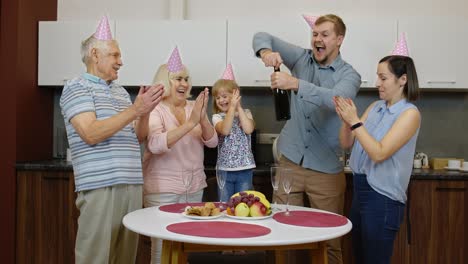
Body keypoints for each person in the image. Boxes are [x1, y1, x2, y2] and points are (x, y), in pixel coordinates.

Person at [252, 14, 361, 264]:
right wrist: (266, 52)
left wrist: (295, 83)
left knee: (329, 241)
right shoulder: (301, 58)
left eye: (324, 34)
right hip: (290, 163)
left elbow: (336, 100)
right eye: (315, 34)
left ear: (339, 39)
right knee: (282, 235)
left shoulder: (350, 75)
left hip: (326, 171)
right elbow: (261, 36)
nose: (317, 39)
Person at [60, 16, 164, 264]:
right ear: (95, 55)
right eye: (115, 55)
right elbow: (91, 133)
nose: (121, 62)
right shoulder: (76, 87)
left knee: (125, 258)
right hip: (100, 186)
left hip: (131, 184)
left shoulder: (119, 92)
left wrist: (146, 110)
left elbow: (137, 137)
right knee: (95, 258)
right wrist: (136, 110)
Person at [334, 50, 421, 264]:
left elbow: (379, 153)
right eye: (377, 76)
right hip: (361, 191)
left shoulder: (410, 114)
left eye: (383, 78)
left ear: (402, 80)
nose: (377, 83)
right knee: (360, 257)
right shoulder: (375, 107)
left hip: (382, 198)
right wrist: (347, 122)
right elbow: (347, 143)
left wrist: (354, 120)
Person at [138, 47, 218, 264]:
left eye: (186, 79)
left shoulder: (194, 106)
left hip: (193, 188)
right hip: (162, 189)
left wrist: (201, 118)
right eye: (177, 79)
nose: (184, 84)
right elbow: (155, 144)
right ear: (165, 82)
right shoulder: (155, 109)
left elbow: (212, 141)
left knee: (185, 244)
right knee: (161, 248)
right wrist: (191, 123)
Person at [212, 63, 256, 202]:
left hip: (245, 169)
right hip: (224, 170)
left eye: (224, 96)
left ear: (236, 95)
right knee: (225, 205)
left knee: (243, 205)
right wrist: (232, 108)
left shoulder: (246, 113)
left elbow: (249, 129)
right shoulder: (217, 117)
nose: (221, 100)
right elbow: (225, 130)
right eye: (218, 98)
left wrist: (238, 107)